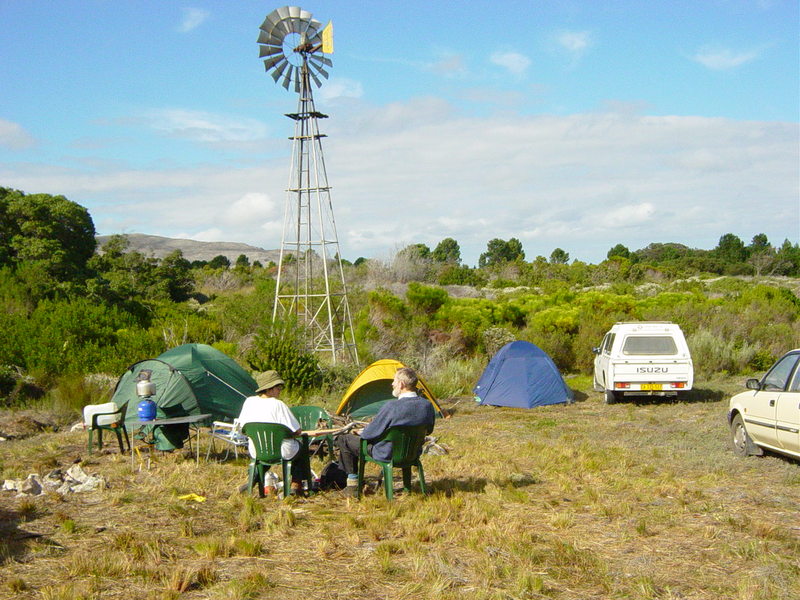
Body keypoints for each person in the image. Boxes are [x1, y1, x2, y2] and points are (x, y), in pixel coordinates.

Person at [336, 367, 435, 497]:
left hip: (387, 453)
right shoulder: (427, 405)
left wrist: (362, 431)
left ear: (401, 384)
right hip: (412, 453)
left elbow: (368, 434)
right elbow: (429, 430)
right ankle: (406, 487)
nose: (392, 384)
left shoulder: (391, 406)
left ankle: (353, 485)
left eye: (394, 381)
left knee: (344, 440)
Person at [238, 370, 310, 496]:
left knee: (265, 453)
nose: (280, 390)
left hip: (256, 449)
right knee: (301, 448)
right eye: (279, 387)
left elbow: (242, 427)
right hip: (280, 451)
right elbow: (297, 430)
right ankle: (296, 484)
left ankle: (253, 480)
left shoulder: (249, 402)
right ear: (269, 389)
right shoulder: (278, 404)